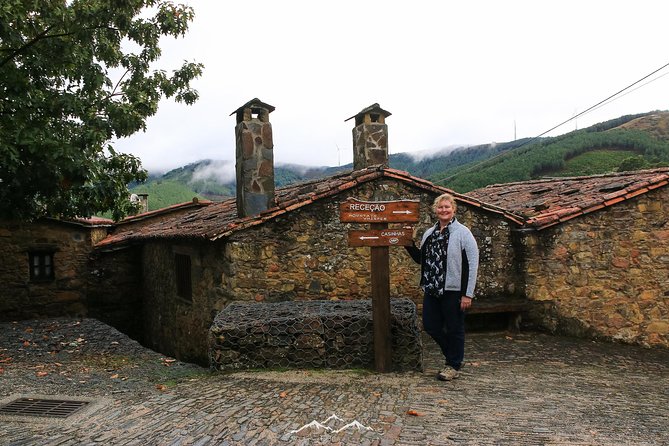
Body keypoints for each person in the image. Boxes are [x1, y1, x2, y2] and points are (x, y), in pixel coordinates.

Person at [405, 193, 479, 381]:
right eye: (440, 207)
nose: (443, 210)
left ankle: (453, 364)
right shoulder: (430, 233)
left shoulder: (463, 233)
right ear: (435, 210)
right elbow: (421, 259)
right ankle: (454, 357)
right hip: (432, 288)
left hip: (453, 291)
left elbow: (472, 264)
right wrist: (408, 244)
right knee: (431, 326)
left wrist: (467, 294)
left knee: (455, 328)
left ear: (453, 209)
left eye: (447, 207)